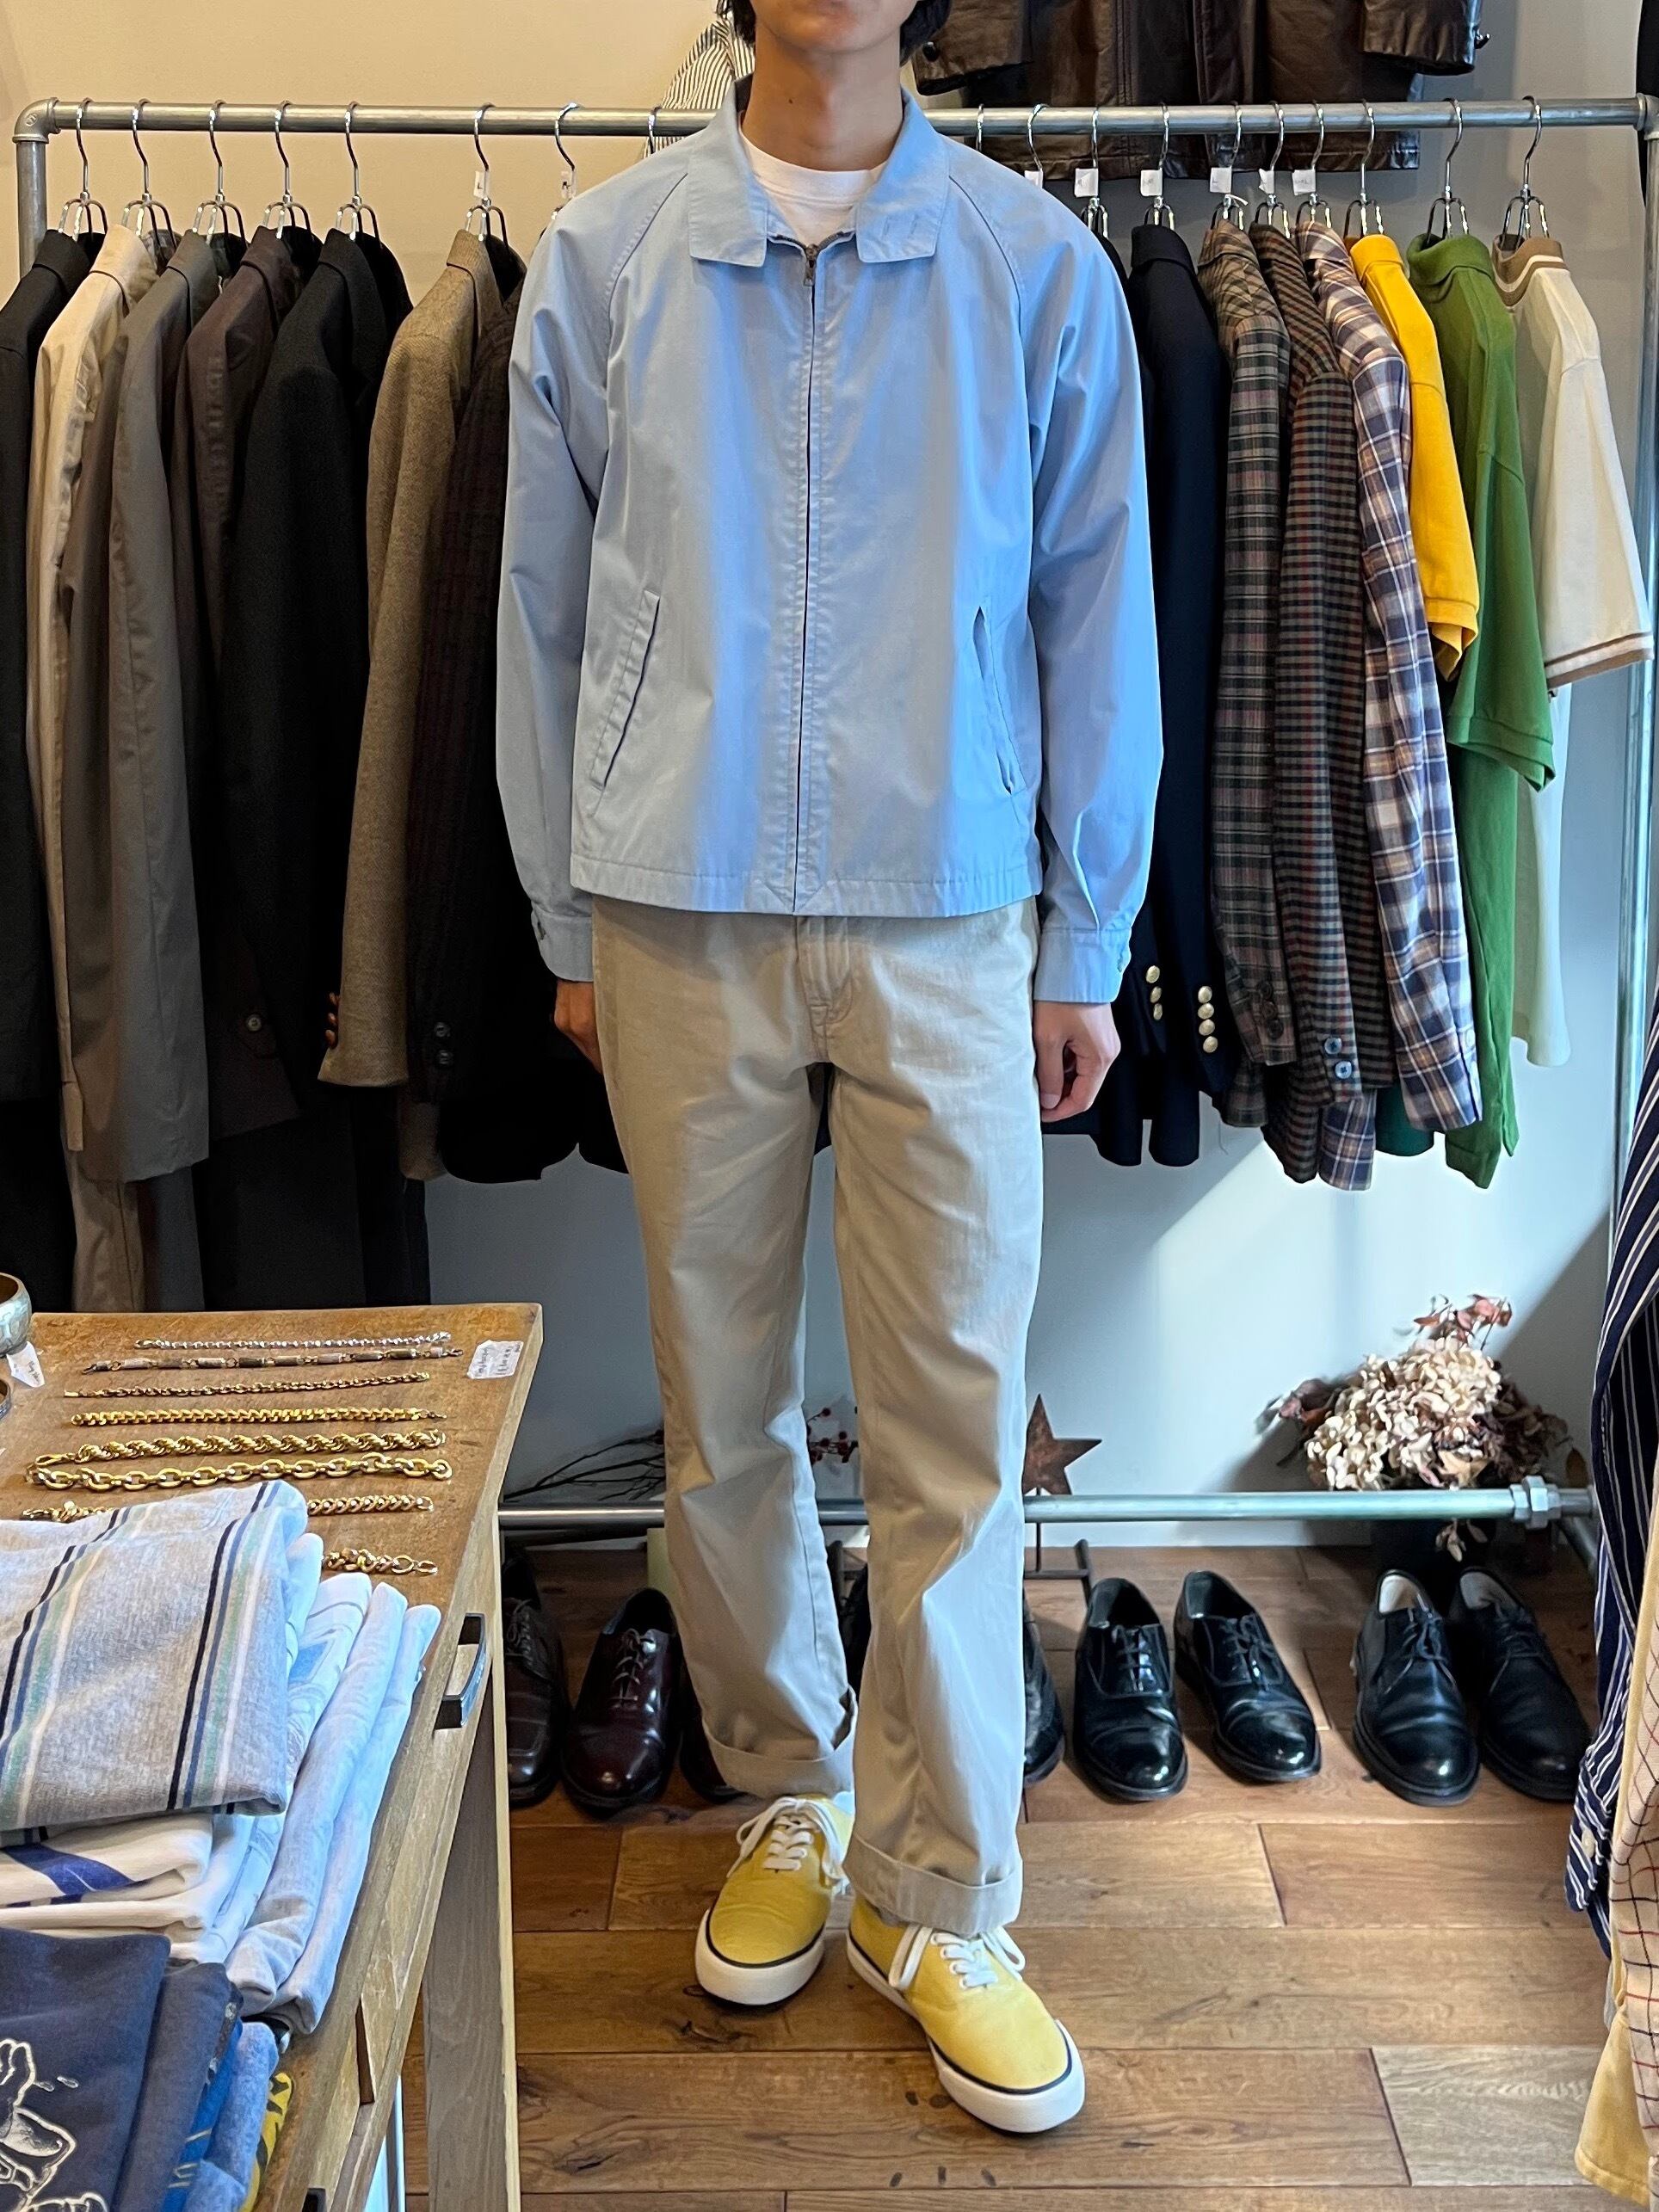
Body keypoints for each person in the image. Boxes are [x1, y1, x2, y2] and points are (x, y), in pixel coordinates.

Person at [497, 0, 1160, 2135]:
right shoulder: (608, 261)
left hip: (947, 909)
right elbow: (540, 608)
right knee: (719, 1401)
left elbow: (1094, 608)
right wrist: (565, 907)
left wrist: (1085, 926)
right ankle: (790, 1791)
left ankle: (939, 1885)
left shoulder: (1033, 269)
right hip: (673, 897)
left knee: (952, 1410)